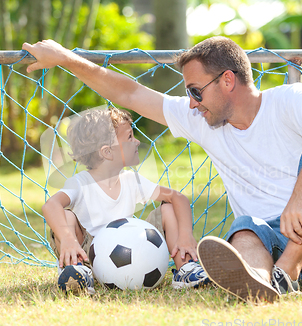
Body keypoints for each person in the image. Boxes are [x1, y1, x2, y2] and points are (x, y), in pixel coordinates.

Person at [26, 36, 302, 302]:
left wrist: (301, 196)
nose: (190, 102)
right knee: (244, 228)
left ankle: (286, 273)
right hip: (270, 240)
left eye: (195, 91)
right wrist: (64, 58)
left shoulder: (288, 99)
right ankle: (261, 284)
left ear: (227, 81)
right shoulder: (202, 120)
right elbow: (129, 92)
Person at [41, 107, 209, 294]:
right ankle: (77, 271)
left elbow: (178, 198)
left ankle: (186, 269)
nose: (136, 141)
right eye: (129, 137)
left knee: (169, 208)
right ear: (107, 152)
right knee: (66, 215)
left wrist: (185, 234)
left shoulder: (131, 180)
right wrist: (67, 239)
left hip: (134, 250)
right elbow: (51, 205)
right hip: (89, 255)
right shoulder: (80, 183)